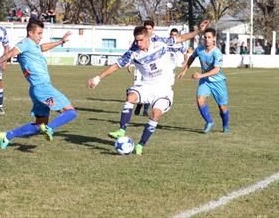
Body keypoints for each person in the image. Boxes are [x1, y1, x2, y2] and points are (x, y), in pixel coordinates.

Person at [87, 20, 210, 155]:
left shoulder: (160, 42)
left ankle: (140, 144)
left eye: (140, 40)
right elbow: (116, 66)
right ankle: (122, 129)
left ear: (147, 37)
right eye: (136, 41)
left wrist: (199, 30)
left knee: (155, 114)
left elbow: (181, 38)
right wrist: (97, 78)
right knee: (131, 97)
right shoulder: (133, 52)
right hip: (146, 85)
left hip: (164, 88)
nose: (138, 44)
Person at [0, 18, 77, 149]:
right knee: (70, 112)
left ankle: (7, 136)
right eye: (39, 33)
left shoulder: (34, 45)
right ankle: (50, 128)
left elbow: (42, 47)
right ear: (30, 33)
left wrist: (60, 42)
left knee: (38, 125)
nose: (41, 36)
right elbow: (9, 53)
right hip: (43, 88)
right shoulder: (24, 43)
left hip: (36, 90)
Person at [178, 28, 229, 134]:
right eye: (205, 37)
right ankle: (209, 122)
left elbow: (216, 69)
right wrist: (184, 71)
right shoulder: (199, 50)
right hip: (205, 81)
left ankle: (225, 125)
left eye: (209, 37)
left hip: (218, 82)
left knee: (222, 107)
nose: (207, 39)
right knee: (200, 99)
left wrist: (201, 75)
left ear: (214, 39)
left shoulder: (217, 52)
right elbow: (192, 58)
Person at [132, 20, 156, 117]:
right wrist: (130, 64)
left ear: (153, 29)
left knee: (151, 88)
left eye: (150, 29)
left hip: (151, 69)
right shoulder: (138, 41)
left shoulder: (156, 40)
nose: (148, 30)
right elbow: (131, 53)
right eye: (146, 29)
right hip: (139, 69)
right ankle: (139, 104)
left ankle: (145, 110)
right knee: (138, 87)